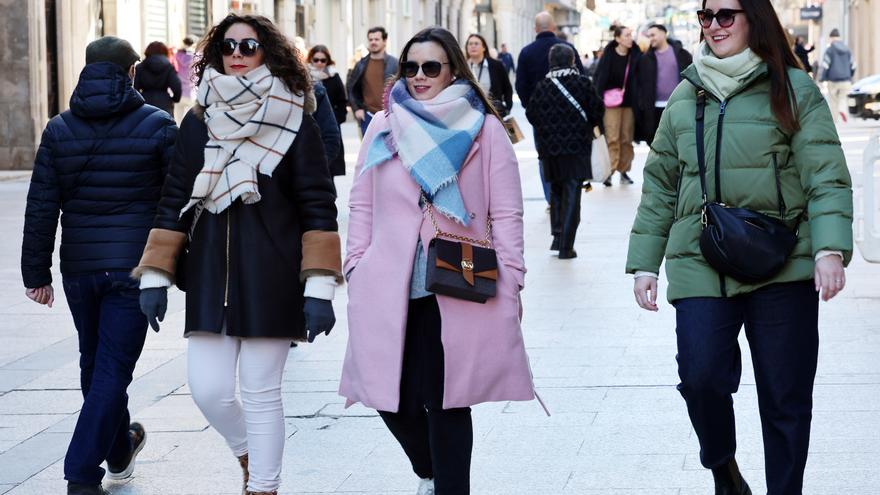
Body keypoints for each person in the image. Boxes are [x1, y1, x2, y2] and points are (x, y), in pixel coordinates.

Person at [626, 0, 853, 493]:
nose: (713, 26)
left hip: (784, 258)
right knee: (701, 377)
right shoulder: (687, 94)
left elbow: (826, 174)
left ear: (754, 17)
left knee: (785, 394)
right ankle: (723, 467)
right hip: (701, 260)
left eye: (726, 15)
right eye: (706, 17)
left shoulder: (793, 89)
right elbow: (661, 183)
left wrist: (829, 249)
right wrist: (645, 262)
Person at [133, 14, 341, 495]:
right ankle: (248, 451)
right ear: (216, 54)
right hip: (210, 272)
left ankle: (263, 486)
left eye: (249, 45)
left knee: (261, 390)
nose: (238, 54)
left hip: (274, 272)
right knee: (207, 390)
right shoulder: (199, 118)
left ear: (268, 50)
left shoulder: (297, 118)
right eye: (229, 46)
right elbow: (174, 197)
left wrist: (319, 286)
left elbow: (317, 204)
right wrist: (155, 276)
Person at [340, 26, 539, 495]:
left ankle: (451, 487)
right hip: (388, 285)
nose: (420, 76)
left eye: (431, 67)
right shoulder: (383, 126)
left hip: (457, 281)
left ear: (453, 69)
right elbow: (362, 203)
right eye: (410, 68)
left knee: (447, 401)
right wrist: (356, 265)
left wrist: (512, 279)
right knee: (392, 400)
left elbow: (506, 210)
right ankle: (429, 470)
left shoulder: (484, 128)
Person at [21, 36, 177, 495]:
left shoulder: (58, 128)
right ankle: (81, 474)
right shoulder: (157, 124)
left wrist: (36, 273)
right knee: (109, 370)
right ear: (130, 73)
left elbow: (41, 205)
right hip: (133, 269)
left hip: (80, 270)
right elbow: (176, 204)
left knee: (97, 367)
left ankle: (121, 448)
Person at [526, 44, 604, 259]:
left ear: (551, 62)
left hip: (549, 150)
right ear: (572, 61)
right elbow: (597, 111)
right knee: (572, 194)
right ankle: (566, 246)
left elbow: (532, 115)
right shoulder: (582, 84)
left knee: (556, 192)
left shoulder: (543, 86)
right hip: (577, 148)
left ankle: (558, 237)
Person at [516, 11, 585, 207]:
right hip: (569, 115)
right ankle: (568, 195)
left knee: (544, 157)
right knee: (569, 154)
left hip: (542, 117)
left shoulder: (527, 52)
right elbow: (581, 79)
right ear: (553, 27)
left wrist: (530, 108)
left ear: (535, 28)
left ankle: (551, 199)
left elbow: (521, 85)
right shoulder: (568, 48)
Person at [594, 25, 641, 187]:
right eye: (626, 35)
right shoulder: (608, 56)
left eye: (631, 35)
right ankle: (610, 171)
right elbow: (599, 79)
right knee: (612, 138)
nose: (630, 38)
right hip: (610, 103)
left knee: (626, 139)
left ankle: (624, 170)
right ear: (618, 39)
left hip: (629, 103)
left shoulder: (635, 55)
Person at [636, 24, 693, 144]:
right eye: (649, 36)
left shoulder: (682, 54)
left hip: (678, 107)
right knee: (658, 145)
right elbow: (640, 85)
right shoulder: (645, 59)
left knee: (679, 143)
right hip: (655, 110)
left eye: (653, 35)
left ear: (663, 34)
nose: (651, 38)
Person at [348, 26, 399, 136]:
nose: (373, 42)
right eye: (370, 39)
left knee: (390, 151)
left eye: (376, 39)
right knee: (368, 150)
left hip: (390, 116)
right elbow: (352, 88)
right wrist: (357, 109)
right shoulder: (361, 64)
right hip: (368, 116)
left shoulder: (395, 63)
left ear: (384, 41)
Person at [308, 44, 349, 177]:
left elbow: (342, 103)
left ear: (328, 61)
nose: (319, 63)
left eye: (323, 60)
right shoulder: (304, 77)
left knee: (329, 169)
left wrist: (333, 120)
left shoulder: (334, 77)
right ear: (311, 60)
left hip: (328, 127)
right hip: (310, 127)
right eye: (316, 60)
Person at [465, 33, 513, 116]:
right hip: (469, 116)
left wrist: (507, 108)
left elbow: (507, 87)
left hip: (492, 115)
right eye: (470, 44)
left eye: (476, 44)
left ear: (484, 47)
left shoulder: (497, 65)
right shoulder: (463, 68)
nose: (473, 46)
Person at [134, 41, 182, 116]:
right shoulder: (168, 67)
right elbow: (177, 86)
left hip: (145, 103)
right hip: (164, 103)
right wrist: (175, 99)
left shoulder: (140, 67)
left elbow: (135, 87)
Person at [820, 28, 856, 123]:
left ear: (831, 38)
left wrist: (822, 78)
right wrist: (850, 75)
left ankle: (835, 120)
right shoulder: (847, 50)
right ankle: (842, 110)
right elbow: (853, 65)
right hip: (846, 80)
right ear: (839, 37)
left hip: (833, 80)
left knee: (833, 100)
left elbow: (825, 65)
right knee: (843, 98)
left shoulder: (829, 50)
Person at [174, 36, 197, 121]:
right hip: (192, 92)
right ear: (194, 44)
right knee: (192, 120)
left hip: (180, 92)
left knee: (178, 119)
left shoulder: (178, 55)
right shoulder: (196, 57)